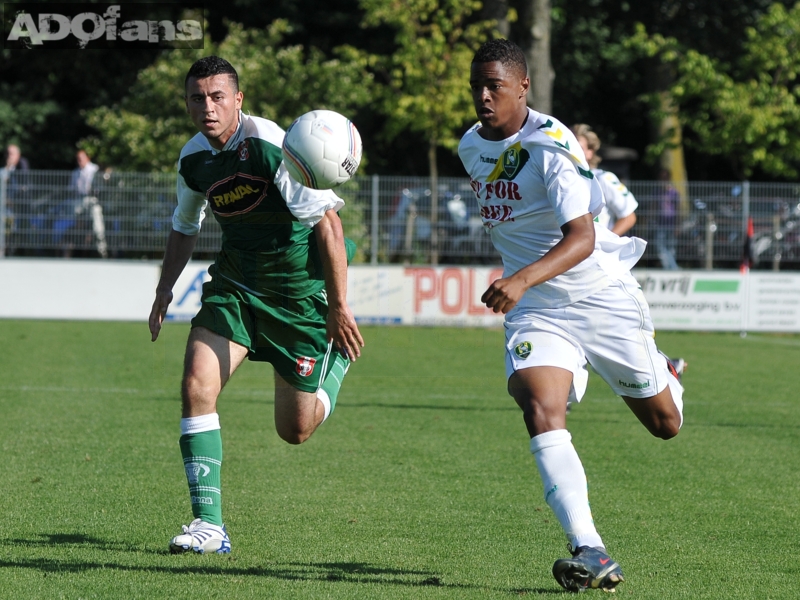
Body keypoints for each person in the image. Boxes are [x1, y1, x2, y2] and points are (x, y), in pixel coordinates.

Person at [458, 39, 685, 593]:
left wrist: (519, 277)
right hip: (537, 309)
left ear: (523, 86)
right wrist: (524, 285)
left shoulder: (552, 145)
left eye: (495, 85)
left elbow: (582, 238)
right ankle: (590, 548)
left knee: (665, 425)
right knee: (539, 405)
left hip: (597, 295)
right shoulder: (470, 146)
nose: (484, 96)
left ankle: (666, 374)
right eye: (477, 86)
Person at [148, 56, 364, 555]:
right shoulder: (193, 160)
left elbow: (329, 225)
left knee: (295, 431)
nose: (208, 107)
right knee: (196, 385)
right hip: (236, 289)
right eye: (197, 98)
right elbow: (185, 225)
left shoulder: (271, 147)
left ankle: (334, 363)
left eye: (218, 96)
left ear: (238, 100)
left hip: (296, 297)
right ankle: (209, 527)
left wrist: (338, 307)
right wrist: (163, 291)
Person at [570, 124, 637, 236]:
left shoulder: (603, 179)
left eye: (579, 148)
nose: (573, 151)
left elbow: (629, 217)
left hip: (595, 251)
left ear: (590, 152)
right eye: (570, 147)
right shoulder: (556, 180)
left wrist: (606, 243)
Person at [53, 149, 108, 258]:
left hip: (92, 200)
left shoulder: (95, 170)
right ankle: (64, 249)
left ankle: (102, 251)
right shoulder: (75, 172)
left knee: (97, 225)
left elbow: (101, 187)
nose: (79, 161)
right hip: (78, 200)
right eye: (77, 159)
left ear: (87, 158)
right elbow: (71, 189)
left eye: (81, 158)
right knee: (67, 220)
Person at [1, 144, 30, 256]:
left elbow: (24, 188)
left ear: (18, 155)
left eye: (12, 154)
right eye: (7, 154)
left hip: (16, 208)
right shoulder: (4, 170)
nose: (9, 156)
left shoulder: (22, 168)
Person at [654, 168, 680, 270]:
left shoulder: (674, 193)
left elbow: (678, 210)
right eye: (662, 177)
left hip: (671, 224)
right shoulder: (657, 192)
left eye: (665, 177)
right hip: (660, 224)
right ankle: (669, 268)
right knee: (660, 248)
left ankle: (672, 268)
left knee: (671, 248)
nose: (663, 179)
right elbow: (653, 207)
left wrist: (677, 225)